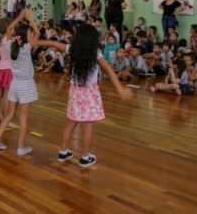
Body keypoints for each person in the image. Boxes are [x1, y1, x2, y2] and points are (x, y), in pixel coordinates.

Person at [46, 24, 133, 167]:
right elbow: (108, 70)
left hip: (75, 91)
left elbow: (54, 43)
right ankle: (85, 157)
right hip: (89, 92)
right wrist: (120, 88)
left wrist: (38, 42)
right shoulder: (95, 53)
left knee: (71, 122)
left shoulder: (72, 49)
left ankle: (63, 152)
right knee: (87, 126)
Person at [0, 10, 52, 155]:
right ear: (27, 36)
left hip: (14, 84)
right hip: (25, 85)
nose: (32, 34)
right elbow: (38, 33)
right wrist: (30, 18)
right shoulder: (26, 48)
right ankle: (21, 146)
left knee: (9, 115)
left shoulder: (11, 45)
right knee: (23, 117)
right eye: (30, 33)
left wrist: (19, 17)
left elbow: (8, 30)